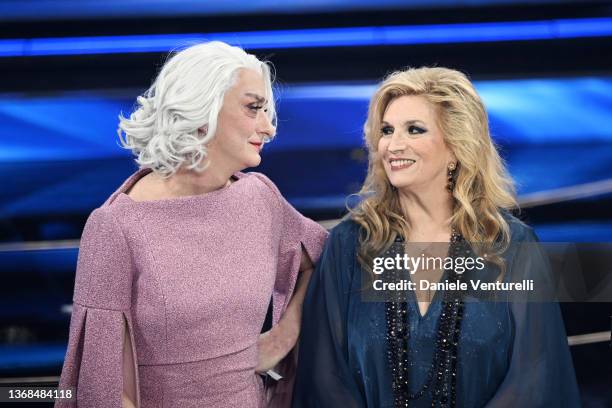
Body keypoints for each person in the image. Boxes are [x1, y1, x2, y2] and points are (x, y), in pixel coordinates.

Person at [56, 41, 328, 408]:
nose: (268, 127)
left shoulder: (259, 197)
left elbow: (325, 258)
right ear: (202, 109)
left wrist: (283, 337)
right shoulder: (115, 226)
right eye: (253, 108)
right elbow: (105, 389)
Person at [292, 67, 580, 407]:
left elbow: (536, 379)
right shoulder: (349, 245)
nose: (393, 145)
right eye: (387, 130)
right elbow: (325, 380)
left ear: (457, 145)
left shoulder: (511, 247)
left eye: (414, 130)